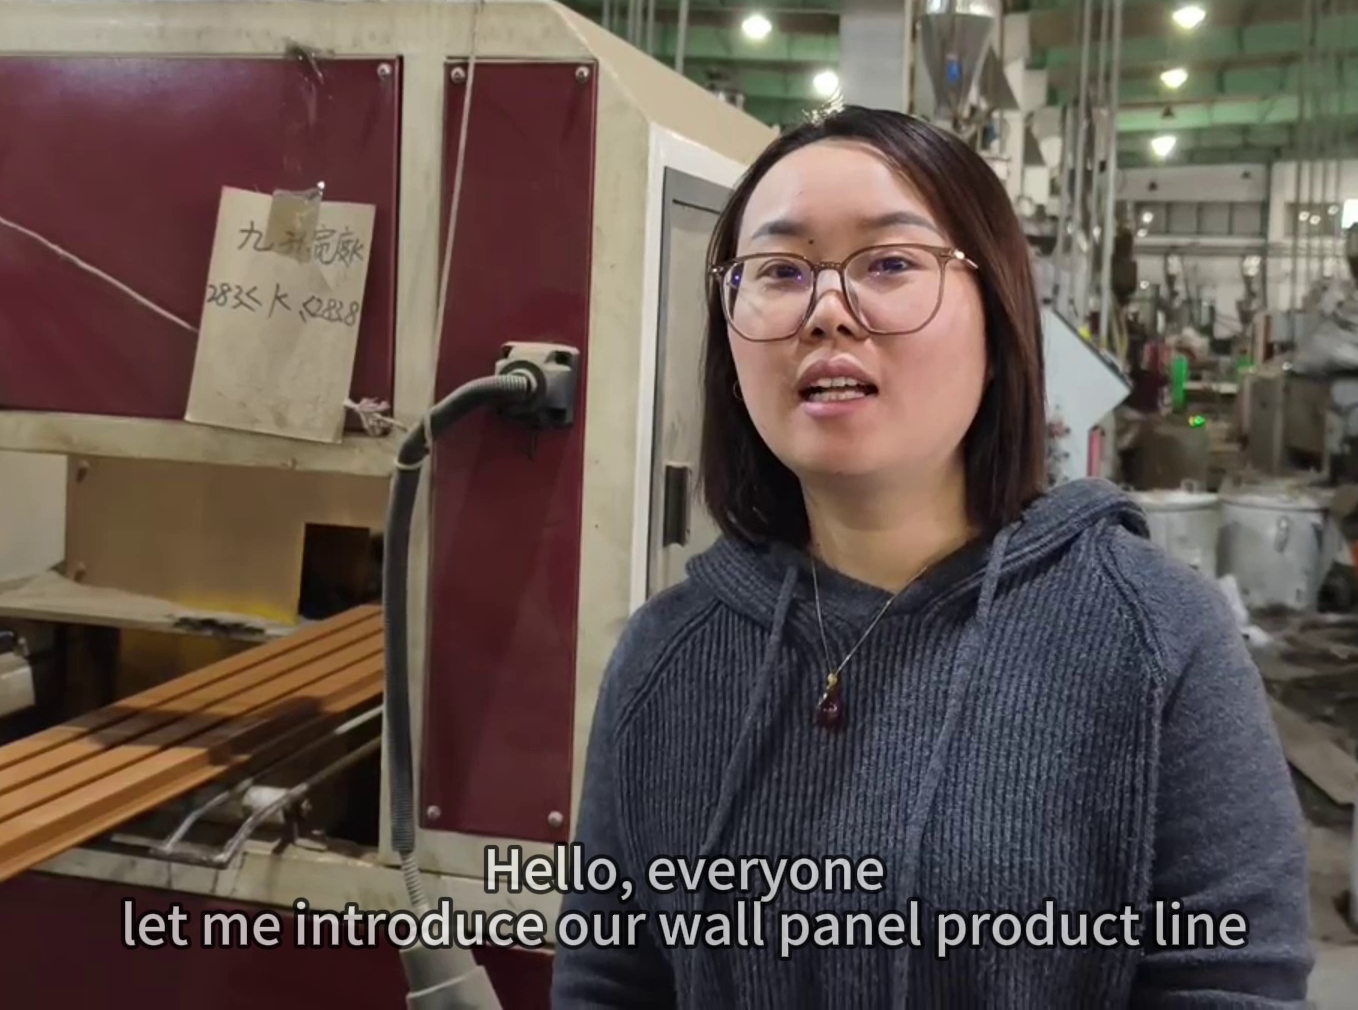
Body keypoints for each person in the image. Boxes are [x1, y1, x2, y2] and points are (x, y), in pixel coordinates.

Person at [551, 105, 1311, 1007]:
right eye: (781, 271)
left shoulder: (1158, 641)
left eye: (890, 263)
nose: (827, 311)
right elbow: (609, 977)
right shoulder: (665, 654)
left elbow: (1230, 983)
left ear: (998, 324)